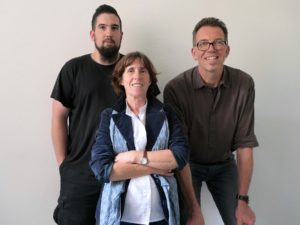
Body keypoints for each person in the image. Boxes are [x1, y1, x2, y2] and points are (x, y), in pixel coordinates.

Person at [164, 17, 259, 225]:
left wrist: (243, 201)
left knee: (241, 221)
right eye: (203, 43)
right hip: (189, 164)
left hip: (224, 164)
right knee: (188, 221)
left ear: (227, 49)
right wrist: (193, 209)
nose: (211, 49)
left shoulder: (244, 84)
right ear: (194, 52)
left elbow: (245, 145)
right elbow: (179, 151)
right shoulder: (175, 89)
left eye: (218, 42)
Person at [89, 51, 189, 225]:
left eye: (143, 71)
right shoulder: (109, 117)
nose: (137, 75)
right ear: (120, 80)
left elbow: (179, 156)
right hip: (119, 217)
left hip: (162, 215)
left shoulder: (167, 113)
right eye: (130, 70)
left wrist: (134, 157)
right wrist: (155, 168)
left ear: (150, 79)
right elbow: (102, 169)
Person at [50, 4, 124, 225]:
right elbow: (58, 119)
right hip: (80, 174)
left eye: (114, 27)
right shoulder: (73, 69)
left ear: (121, 34)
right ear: (93, 34)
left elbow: (150, 116)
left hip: (122, 172)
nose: (108, 33)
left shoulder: (134, 69)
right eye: (102, 27)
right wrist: (64, 165)